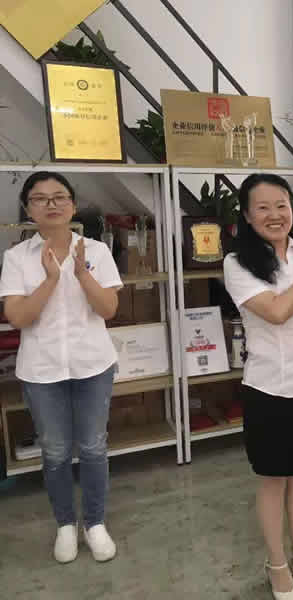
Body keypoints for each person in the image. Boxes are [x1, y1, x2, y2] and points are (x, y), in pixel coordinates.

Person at [0, 172, 122, 564]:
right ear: (28, 208)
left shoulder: (96, 251)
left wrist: (81, 273)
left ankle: (95, 523)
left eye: (59, 197)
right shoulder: (17, 258)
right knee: (54, 451)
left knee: (93, 446)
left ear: (72, 205)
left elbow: (108, 309)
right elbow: (19, 317)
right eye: (40, 198)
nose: (51, 204)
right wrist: (51, 279)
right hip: (41, 370)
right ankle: (65, 524)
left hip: (93, 365)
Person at [223, 173, 293, 600]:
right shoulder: (238, 264)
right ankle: (276, 565)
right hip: (269, 387)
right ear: (248, 216)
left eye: (282, 205)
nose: (275, 214)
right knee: (273, 479)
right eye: (263, 207)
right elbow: (277, 311)